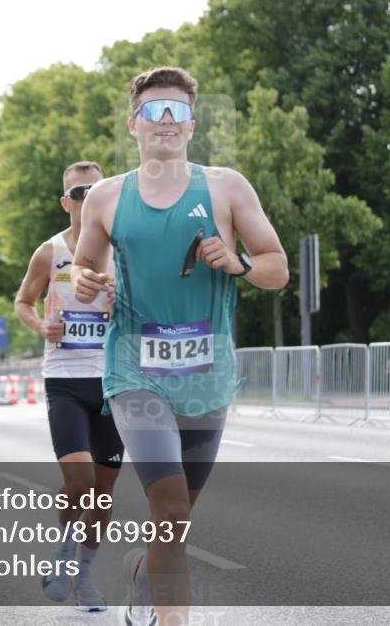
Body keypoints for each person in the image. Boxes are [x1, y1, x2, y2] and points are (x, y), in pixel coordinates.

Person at [71, 67, 288, 626]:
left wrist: (239, 263)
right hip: (133, 371)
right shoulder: (105, 196)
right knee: (167, 506)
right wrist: (87, 282)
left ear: (192, 124)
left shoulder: (225, 186)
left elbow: (277, 268)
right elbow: (85, 268)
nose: (166, 121)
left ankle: (146, 571)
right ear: (133, 124)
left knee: (177, 515)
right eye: (154, 111)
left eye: (178, 111)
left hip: (207, 374)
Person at [15, 160, 123, 613]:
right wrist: (41, 325)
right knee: (79, 479)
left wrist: (125, 304)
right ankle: (62, 552)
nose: (86, 198)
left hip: (114, 379)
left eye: (94, 189)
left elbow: (151, 305)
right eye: (78, 192)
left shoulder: (123, 249)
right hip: (65, 379)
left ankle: (84, 578)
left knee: (103, 493)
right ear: (66, 202)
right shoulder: (50, 251)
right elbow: (23, 301)